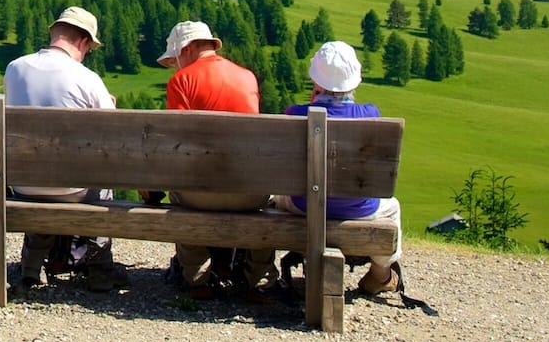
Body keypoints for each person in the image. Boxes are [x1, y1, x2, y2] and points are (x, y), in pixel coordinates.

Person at [2, 6, 127, 292]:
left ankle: (31, 267)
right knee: (102, 184)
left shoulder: (14, 69)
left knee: (37, 166)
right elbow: (114, 134)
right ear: (83, 41)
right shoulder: (87, 78)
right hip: (73, 190)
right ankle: (99, 268)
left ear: (55, 33)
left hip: (23, 186)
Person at [155, 21, 277, 302]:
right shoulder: (247, 77)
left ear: (187, 49)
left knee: (180, 193)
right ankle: (256, 277)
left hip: (200, 195)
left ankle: (196, 276)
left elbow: (178, 147)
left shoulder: (182, 81)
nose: (175, 65)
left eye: (175, 58)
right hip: (250, 195)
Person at [276, 41, 404, 294]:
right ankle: (380, 274)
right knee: (394, 206)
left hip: (303, 207)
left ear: (317, 82)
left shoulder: (295, 113)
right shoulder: (369, 114)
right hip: (359, 209)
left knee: (276, 196)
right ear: (353, 81)